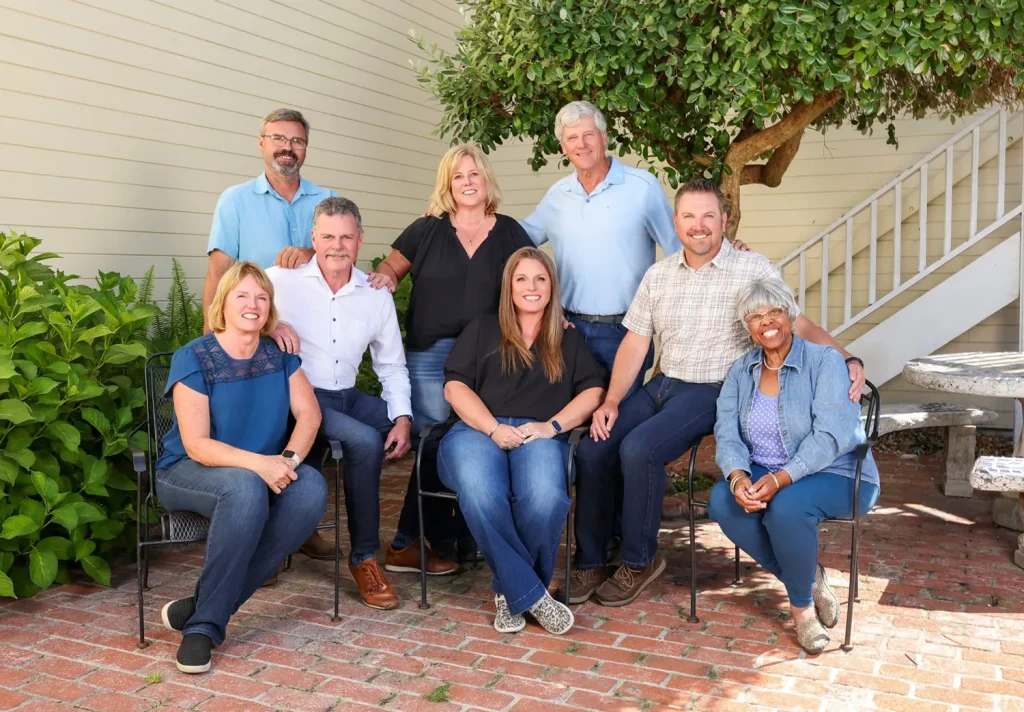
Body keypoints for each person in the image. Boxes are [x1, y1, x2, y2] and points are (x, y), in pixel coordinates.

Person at [569, 179, 867, 607]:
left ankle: (639, 560)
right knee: (595, 447)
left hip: (714, 390)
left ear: (724, 220)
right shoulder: (658, 275)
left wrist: (846, 357)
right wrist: (612, 400)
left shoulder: (752, 268)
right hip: (662, 383)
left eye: (709, 215)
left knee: (639, 448)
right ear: (675, 222)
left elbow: (797, 325)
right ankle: (592, 559)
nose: (699, 225)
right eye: (689, 216)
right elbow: (635, 342)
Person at [267, 196, 457, 611]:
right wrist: (272, 321)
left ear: (360, 240)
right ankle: (364, 557)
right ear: (313, 238)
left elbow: (391, 366)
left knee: (427, 431)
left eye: (346, 236)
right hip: (301, 396)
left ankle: (408, 540)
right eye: (329, 236)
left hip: (348, 396)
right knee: (364, 442)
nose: (338, 245)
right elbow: (232, 306)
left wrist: (403, 418)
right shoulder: (281, 279)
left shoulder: (374, 294)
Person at [155, 262, 326, 674]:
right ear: (223, 304)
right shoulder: (194, 357)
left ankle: (203, 607)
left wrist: (286, 462)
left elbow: (310, 415)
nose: (253, 305)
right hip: (188, 471)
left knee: (311, 487)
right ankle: (203, 629)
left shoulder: (279, 357)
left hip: (256, 472)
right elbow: (196, 444)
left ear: (270, 309)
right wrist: (261, 466)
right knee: (245, 489)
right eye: (242, 296)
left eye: (261, 297)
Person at [366, 144, 534, 565]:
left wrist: (555, 319)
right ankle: (414, 541)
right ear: (448, 183)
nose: (467, 182)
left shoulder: (511, 231)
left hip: (491, 354)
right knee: (433, 438)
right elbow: (388, 272)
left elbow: (533, 283)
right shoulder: (426, 230)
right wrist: (378, 282)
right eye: (458, 176)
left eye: (474, 174)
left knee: (476, 437)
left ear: (486, 180)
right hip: (431, 354)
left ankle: (447, 536)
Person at [437, 247, 606, 635]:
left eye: (540, 279)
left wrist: (553, 426)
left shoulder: (568, 339)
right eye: (522, 279)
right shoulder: (483, 329)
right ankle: (532, 594)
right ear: (508, 287)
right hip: (477, 430)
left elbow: (593, 391)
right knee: (481, 490)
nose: (531, 287)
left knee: (546, 495)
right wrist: (493, 428)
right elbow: (454, 387)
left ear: (552, 287)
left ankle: (509, 591)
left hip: (538, 433)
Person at [708, 277, 880, 654]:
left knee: (785, 508)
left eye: (774, 312)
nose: (766, 322)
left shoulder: (825, 361)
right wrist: (738, 477)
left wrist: (780, 478)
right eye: (755, 316)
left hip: (839, 472)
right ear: (747, 327)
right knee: (722, 501)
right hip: (764, 469)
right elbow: (727, 432)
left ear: (790, 315)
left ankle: (801, 608)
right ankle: (809, 577)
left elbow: (830, 437)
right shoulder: (741, 371)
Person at [201, 107, 337, 564]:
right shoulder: (235, 201)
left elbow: (341, 260)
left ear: (306, 148)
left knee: (308, 423)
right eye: (278, 138)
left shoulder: (326, 199)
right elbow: (219, 273)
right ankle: (262, 532)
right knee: (259, 429)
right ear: (261, 143)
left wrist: (311, 252)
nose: (287, 147)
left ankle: (299, 525)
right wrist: (210, 344)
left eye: (296, 140)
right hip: (255, 339)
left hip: (313, 342)